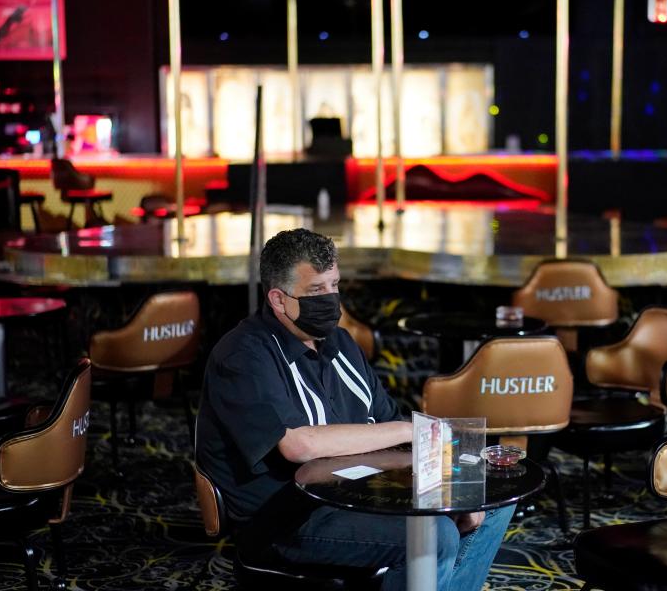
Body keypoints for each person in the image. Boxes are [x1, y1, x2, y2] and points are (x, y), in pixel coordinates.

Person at [196, 228, 514, 590]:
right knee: (435, 533)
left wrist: (454, 488)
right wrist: (411, 429)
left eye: (334, 285)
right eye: (316, 290)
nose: (331, 299)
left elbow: (385, 422)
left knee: (488, 497)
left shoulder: (341, 344)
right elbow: (299, 445)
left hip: (360, 493)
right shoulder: (244, 355)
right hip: (286, 519)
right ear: (279, 300)